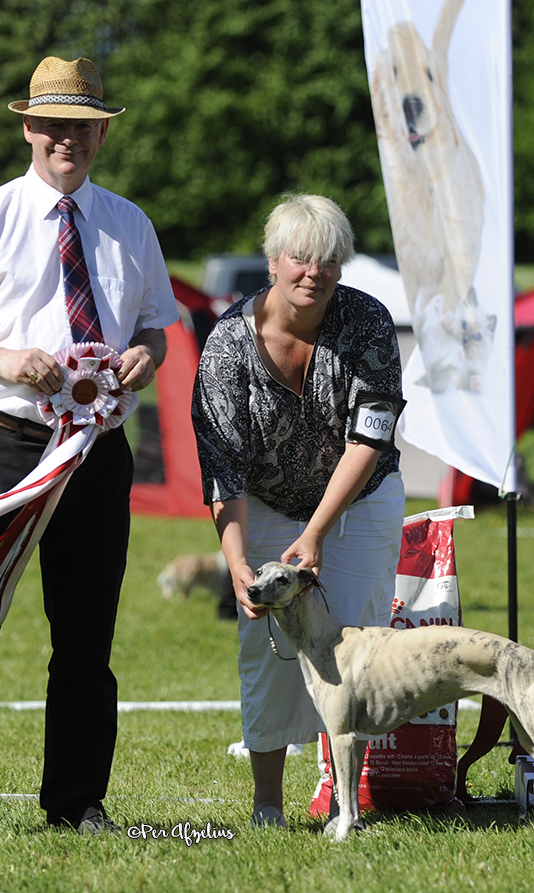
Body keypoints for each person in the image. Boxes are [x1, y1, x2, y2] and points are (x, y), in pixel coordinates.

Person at [0, 56, 179, 839]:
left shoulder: (131, 224)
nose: (69, 139)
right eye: (54, 125)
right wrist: (5, 361)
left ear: (102, 135)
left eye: (83, 127)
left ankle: (77, 803)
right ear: (28, 127)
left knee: (87, 638)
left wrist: (146, 355)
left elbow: (157, 325)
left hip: (96, 453)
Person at [191, 194, 407, 828]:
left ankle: (345, 803)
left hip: (360, 498)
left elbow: (370, 436)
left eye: (329, 260)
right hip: (265, 502)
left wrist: (316, 533)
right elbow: (222, 465)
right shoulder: (227, 344)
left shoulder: (368, 322)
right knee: (266, 652)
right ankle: (268, 804)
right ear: (272, 261)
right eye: (300, 258)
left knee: (357, 652)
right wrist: (237, 564)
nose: (314, 272)